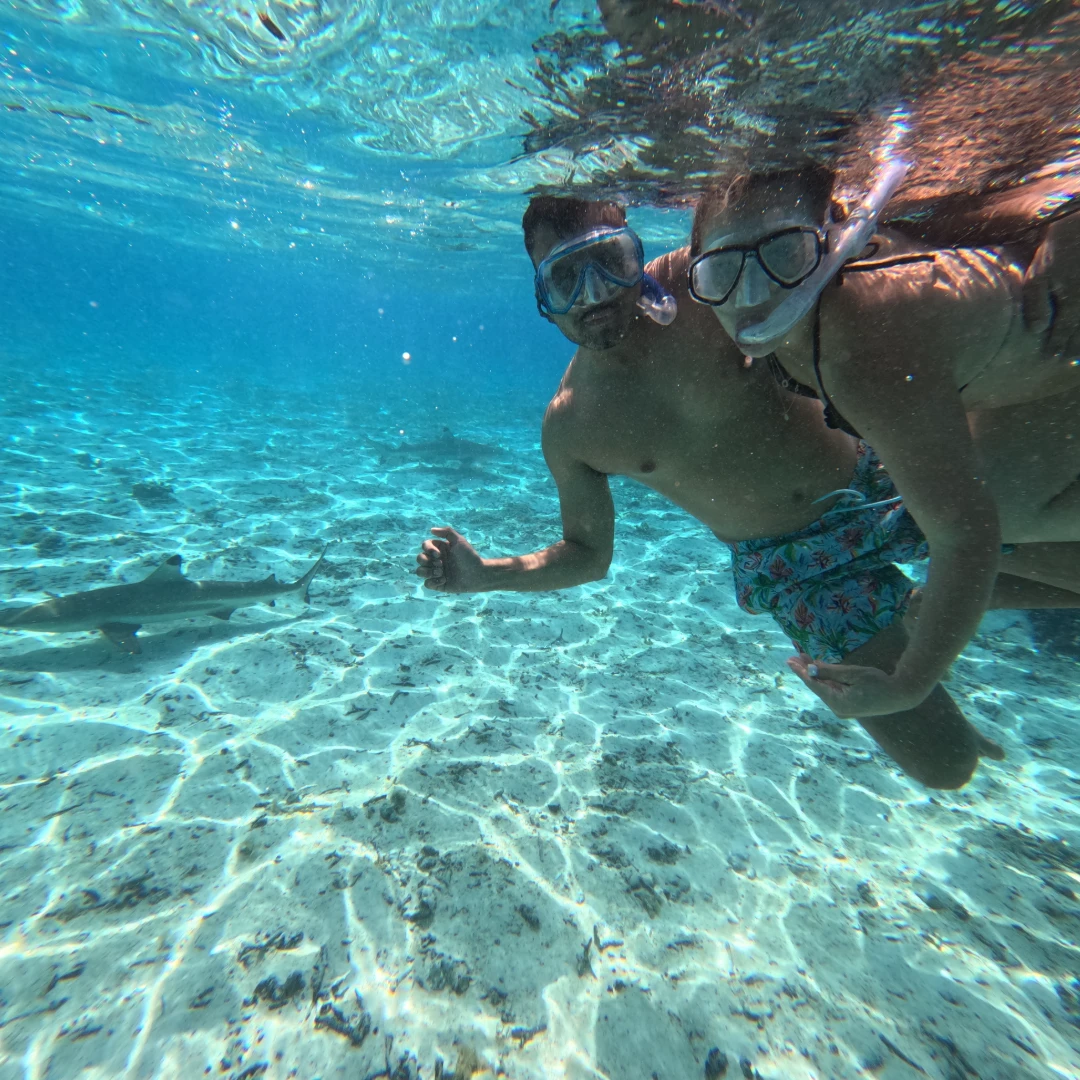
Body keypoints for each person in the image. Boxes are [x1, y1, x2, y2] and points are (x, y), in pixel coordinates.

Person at [414, 195, 1080, 789]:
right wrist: (486, 576)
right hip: (796, 569)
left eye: (607, 262)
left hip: (883, 476)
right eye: (564, 278)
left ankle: (922, 600)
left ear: (635, 248)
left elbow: (863, 221)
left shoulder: (710, 275)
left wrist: (1051, 229)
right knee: (946, 765)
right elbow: (588, 554)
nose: (592, 295)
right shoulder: (571, 423)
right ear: (541, 299)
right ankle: (912, 605)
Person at [688, 162, 1080, 719]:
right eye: (721, 271)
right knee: (955, 509)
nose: (753, 297)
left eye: (785, 255)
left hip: (1062, 374)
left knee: (989, 513)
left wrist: (909, 683)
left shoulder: (861, 353)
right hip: (1028, 387)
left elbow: (968, 537)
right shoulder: (824, 301)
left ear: (838, 241)